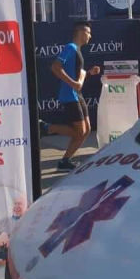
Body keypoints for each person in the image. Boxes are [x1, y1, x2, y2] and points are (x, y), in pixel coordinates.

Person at [40, 21, 101, 171]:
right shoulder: (70, 47)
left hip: (77, 94)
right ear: (80, 32)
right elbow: (55, 67)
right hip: (69, 95)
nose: (90, 36)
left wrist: (88, 73)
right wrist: (72, 83)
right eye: (88, 33)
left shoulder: (77, 50)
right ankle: (47, 127)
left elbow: (77, 75)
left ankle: (65, 161)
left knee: (87, 130)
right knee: (80, 132)